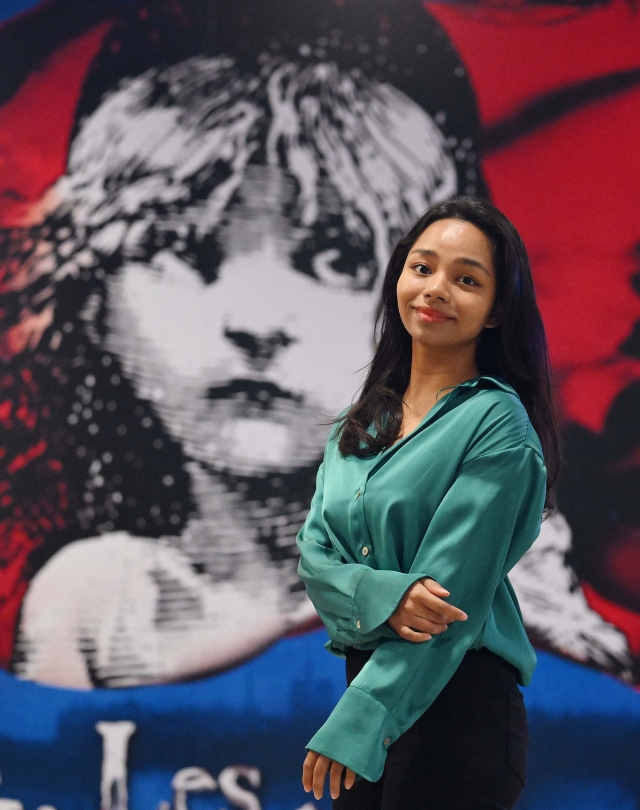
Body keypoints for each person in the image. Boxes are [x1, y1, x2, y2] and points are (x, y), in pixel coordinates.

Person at [11, 47, 459, 687]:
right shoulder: (103, 604)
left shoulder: (485, 578)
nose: (257, 318)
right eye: (181, 248)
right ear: (94, 300)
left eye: (337, 258)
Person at [297, 196, 561, 809]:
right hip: (367, 695)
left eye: (466, 279)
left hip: (458, 708)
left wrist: (360, 720)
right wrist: (386, 598)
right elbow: (315, 561)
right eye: (422, 268)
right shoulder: (358, 424)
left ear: (496, 312)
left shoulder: (497, 422)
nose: (436, 288)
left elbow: (448, 605)